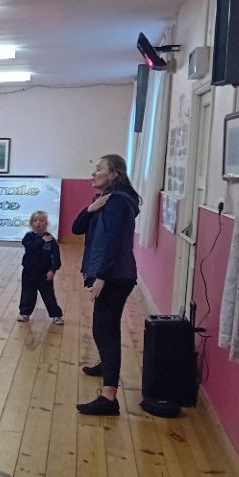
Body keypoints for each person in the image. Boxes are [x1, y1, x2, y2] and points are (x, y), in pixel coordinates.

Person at [72, 154, 141, 416]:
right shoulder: (106, 200)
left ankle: (109, 397)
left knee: (104, 329)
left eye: (99, 169)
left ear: (113, 174)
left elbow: (113, 240)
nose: (94, 173)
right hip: (115, 273)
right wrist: (89, 209)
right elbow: (76, 228)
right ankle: (106, 365)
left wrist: (101, 276)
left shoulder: (117, 202)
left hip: (114, 275)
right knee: (104, 327)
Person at [17, 210, 64, 325]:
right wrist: (41, 241)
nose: (38, 223)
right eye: (35, 220)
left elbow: (55, 256)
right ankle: (25, 313)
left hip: (44, 273)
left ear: (46, 223)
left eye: (41, 220)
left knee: (48, 295)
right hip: (29, 272)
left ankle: (56, 315)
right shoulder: (29, 237)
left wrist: (52, 270)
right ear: (31, 223)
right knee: (27, 293)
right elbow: (29, 247)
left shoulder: (51, 239)